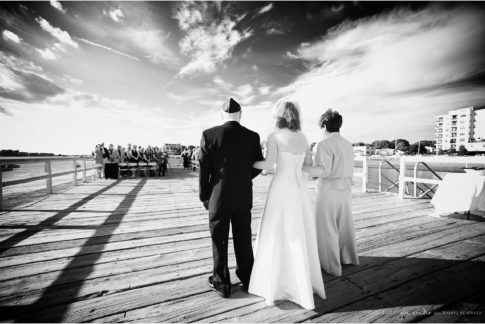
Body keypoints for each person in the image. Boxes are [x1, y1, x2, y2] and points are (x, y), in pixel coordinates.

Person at [248, 100, 325, 309]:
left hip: (281, 188)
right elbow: (309, 166)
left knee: (276, 232)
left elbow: (268, 164)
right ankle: (300, 283)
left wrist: (247, 162)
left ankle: (276, 282)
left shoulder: (274, 137)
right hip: (299, 190)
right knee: (298, 233)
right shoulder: (303, 137)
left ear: (279, 116)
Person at [199, 98, 263, 298]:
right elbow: (257, 165)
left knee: (219, 240)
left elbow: (204, 169)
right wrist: (244, 178)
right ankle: (248, 277)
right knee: (243, 238)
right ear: (240, 114)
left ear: (221, 114)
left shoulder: (209, 135)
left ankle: (222, 283)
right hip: (243, 195)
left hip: (218, 196)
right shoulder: (252, 136)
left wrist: (204, 195)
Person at [303, 109, 359, 276]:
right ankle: (347, 257)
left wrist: (302, 167)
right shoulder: (348, 144)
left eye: (321, 126)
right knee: (345, 226)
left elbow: (322, 171)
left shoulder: (324, 144)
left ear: (325, 125)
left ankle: (330, 265)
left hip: (328, 190)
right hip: (346, 191)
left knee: (326, 228)